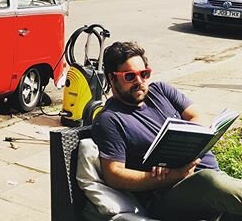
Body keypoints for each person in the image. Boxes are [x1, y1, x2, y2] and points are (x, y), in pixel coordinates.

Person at [92, 41, 242, 221]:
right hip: (169, 196)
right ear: (112, 79)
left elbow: (197, 116)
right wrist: (169, 177)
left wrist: (186, 145)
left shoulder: (161, 91)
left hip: (213, 185)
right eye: (130, 77)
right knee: (210, 181)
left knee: (219, 187)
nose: (139, 82)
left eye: (144, 74)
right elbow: (114, 175)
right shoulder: (110, 119)